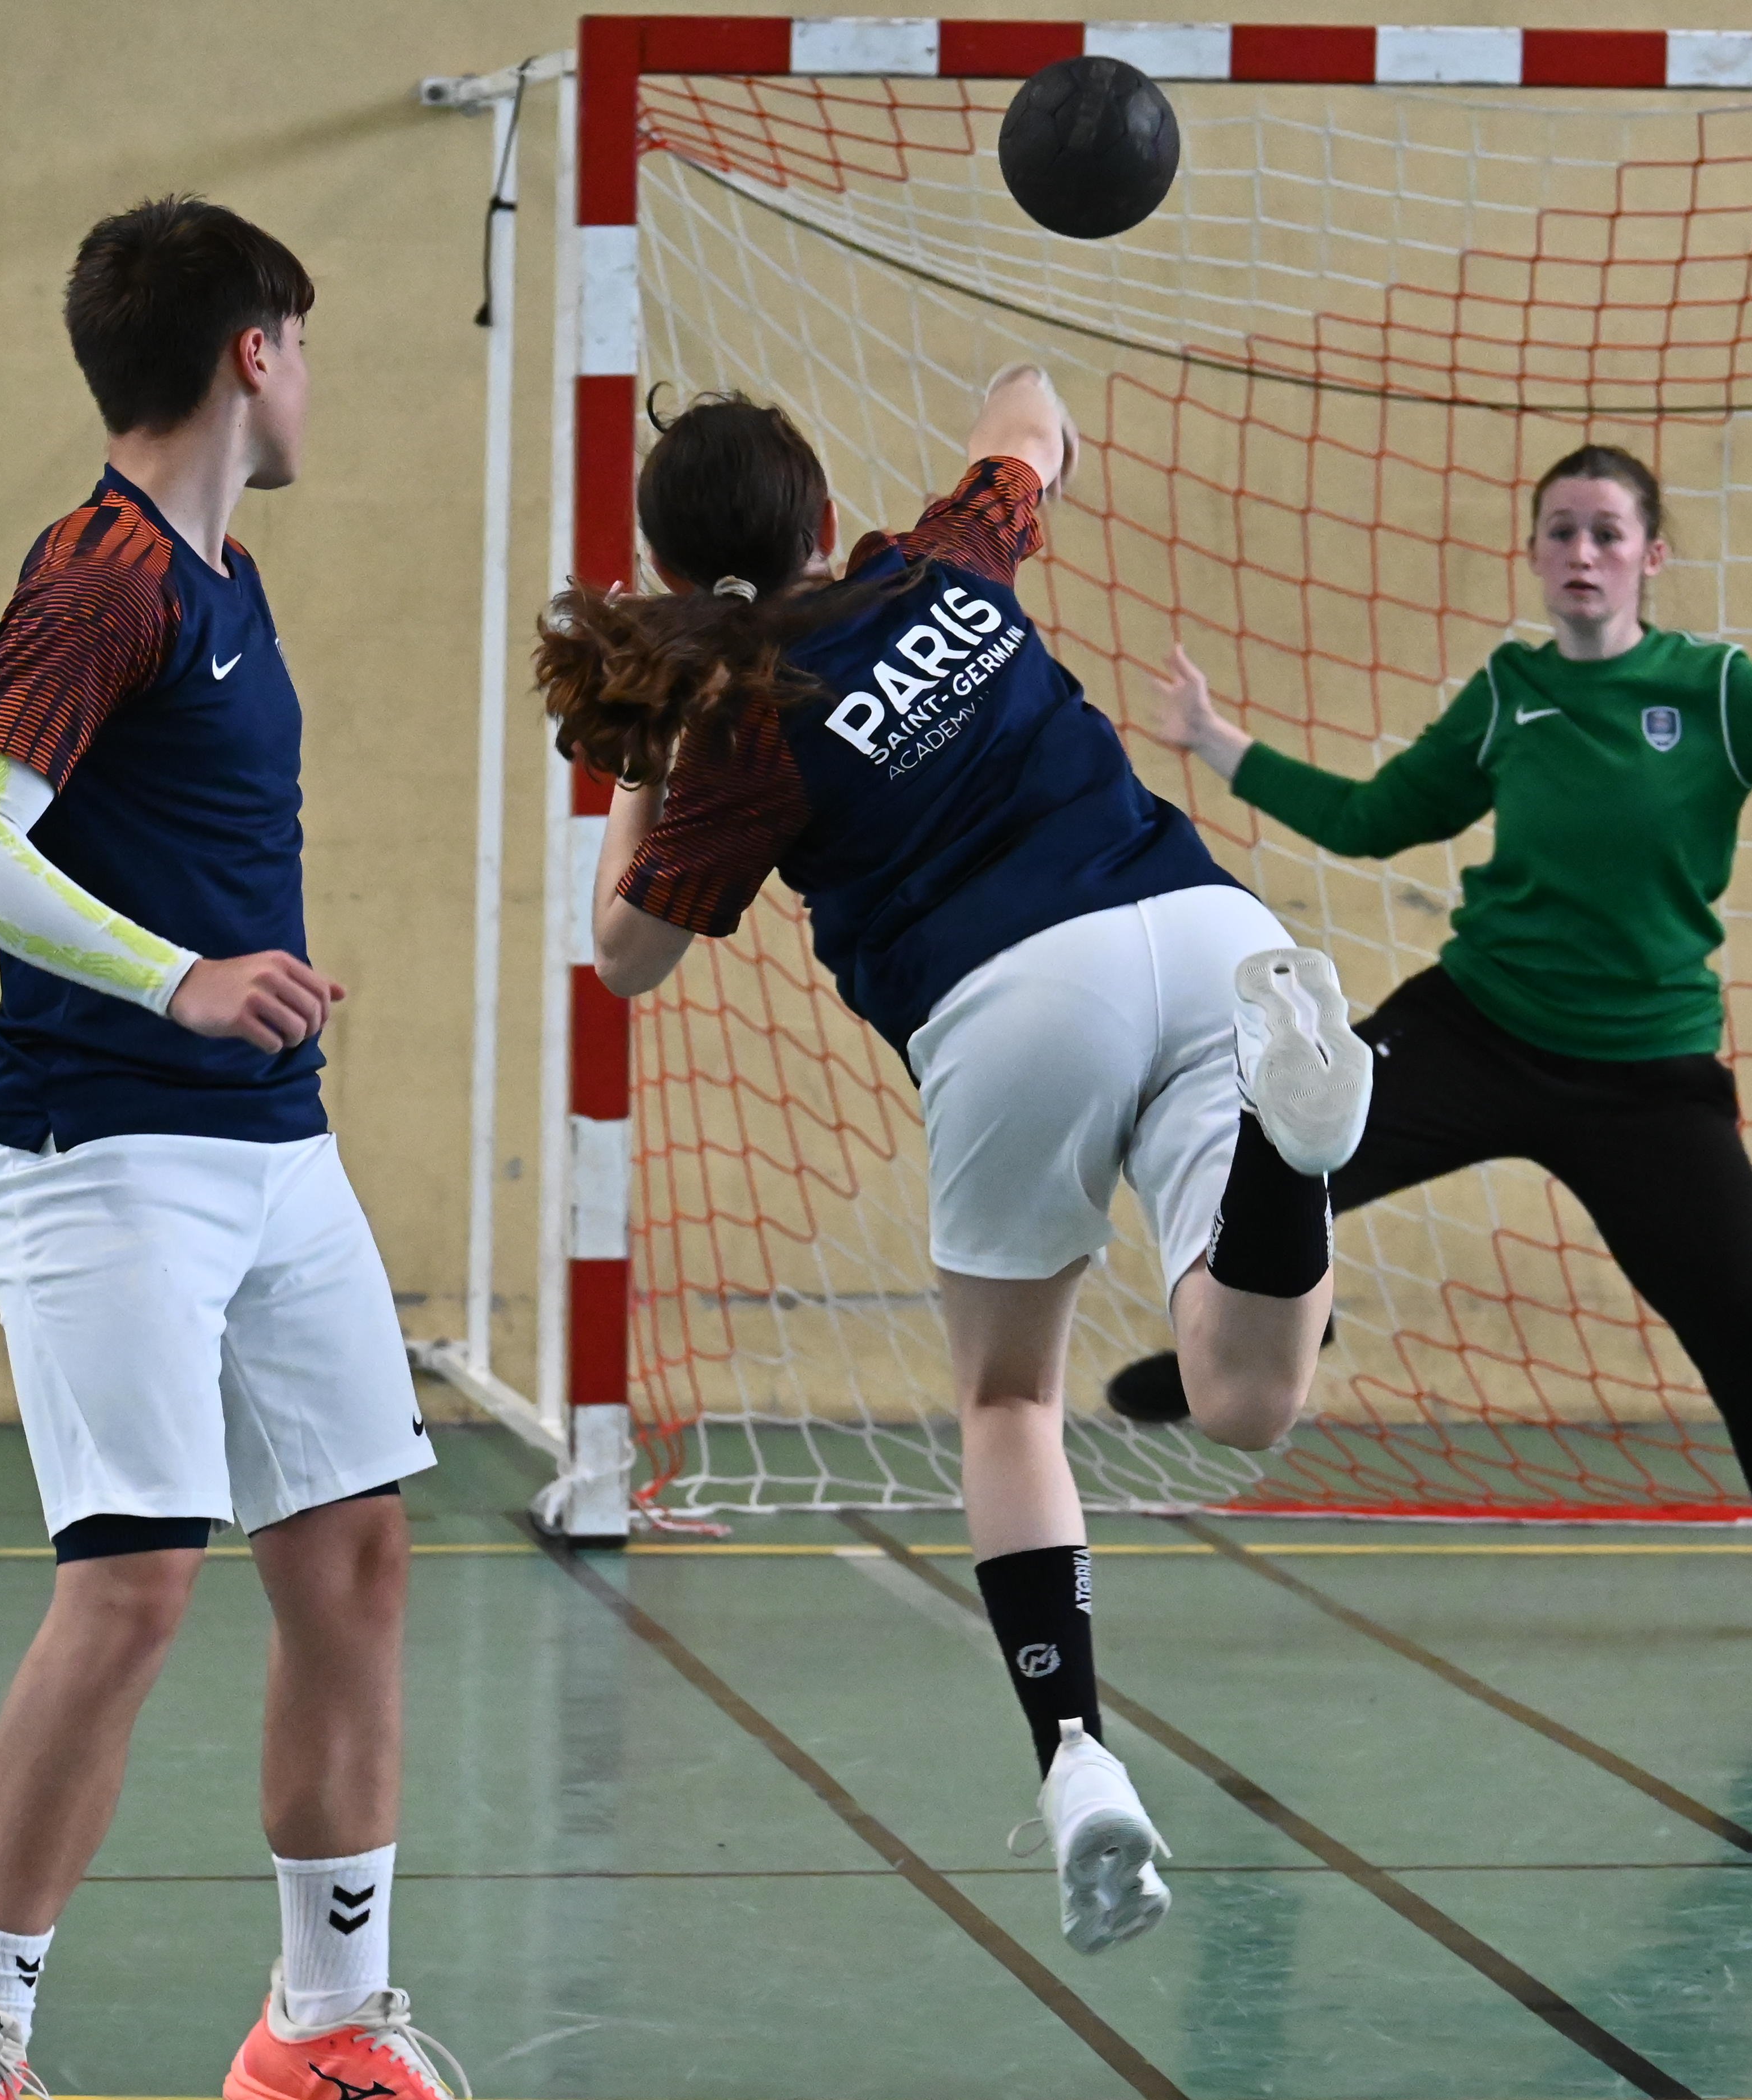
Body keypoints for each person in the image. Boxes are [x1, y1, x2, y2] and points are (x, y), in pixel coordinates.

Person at [537, 372, 1371, 1952]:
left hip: (1012, 1002)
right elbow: (1030, 409)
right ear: (820, 520)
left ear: (670, 568)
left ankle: (1077, 1760)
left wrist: (646, 745)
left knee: (1012, 1401)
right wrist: (1035, 428)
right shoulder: (944, 560)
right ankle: (1290, 1141)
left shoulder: (734, 729)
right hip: (1207, 935)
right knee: (1251, 1396)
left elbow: (625, 952)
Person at [0, 198, 458, 2100]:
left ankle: (317, 2025)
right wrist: (181, 979)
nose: (314, 379)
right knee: (137, 1581)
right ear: (252, 352)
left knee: (354, 1550)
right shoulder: (103, 572)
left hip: (274, 1152)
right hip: (102, 1139)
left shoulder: (222, 576)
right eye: (303, 343)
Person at [1120, 442, 1752, 1645]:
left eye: (1608, 532)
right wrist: (1216, 741)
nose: (1583, 553)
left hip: (1646, 1076)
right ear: (1536, 555)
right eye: (1561, 531)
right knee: (1273, 1150)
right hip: (1480, 1024)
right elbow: (1373, 816)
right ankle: (1282, 1316)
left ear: (1651, 558)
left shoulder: (1717, 689)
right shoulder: (1510, 692)